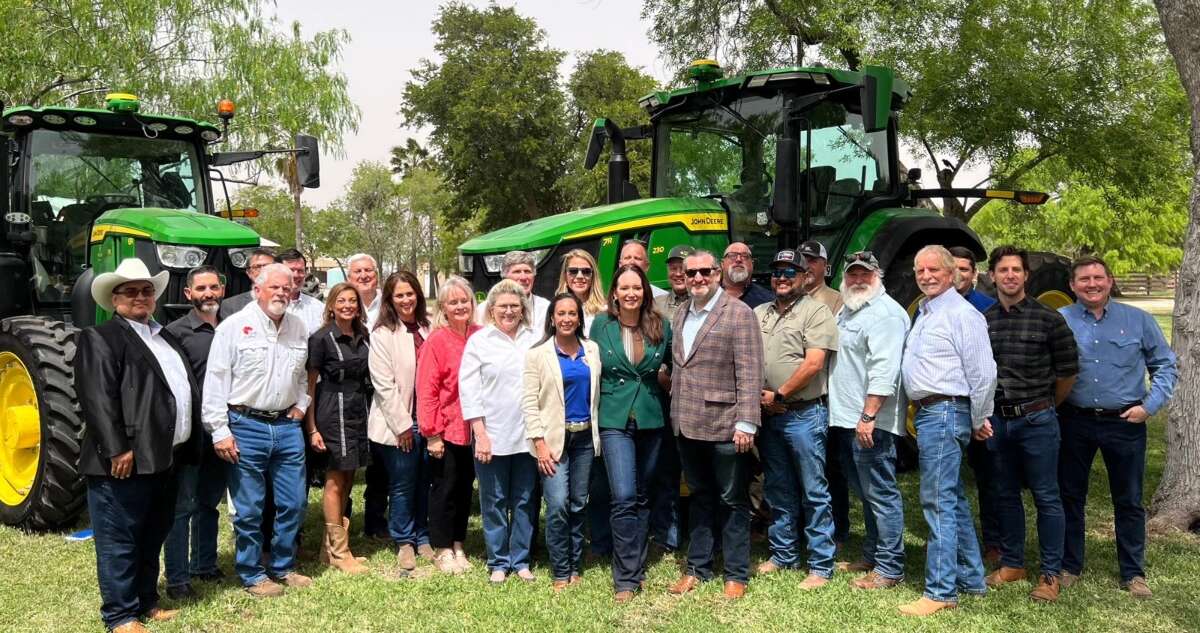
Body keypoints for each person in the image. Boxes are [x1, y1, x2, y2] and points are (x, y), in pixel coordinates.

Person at [76, 258, 200, 632]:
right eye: (131, 291)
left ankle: (146, 601)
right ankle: (120, 615)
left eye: (146, 290)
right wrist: (117, 448)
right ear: (114, 299)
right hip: (125, 459)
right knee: (119, 539)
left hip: (165, 457)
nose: (141, 297)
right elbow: (97, 399)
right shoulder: (100, 338)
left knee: (152, 532)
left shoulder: (164, 336)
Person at [1058, 255, 1177, 599]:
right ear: (1072, 285)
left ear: (1110, 281)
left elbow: (1166, 366)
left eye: (1098, 277)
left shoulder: (1138, 320)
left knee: (1128, 500)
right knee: (1070, 496)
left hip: (1125, 422)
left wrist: (1149, 407)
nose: (1091, 284)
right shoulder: (1060, 320)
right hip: (1074, 420)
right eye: (1084, 279)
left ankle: (1133, 573)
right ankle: (1070, 565)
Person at [203, 262, 313, 598]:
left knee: (294, 502)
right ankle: (251, 573)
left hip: (286, 426)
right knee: (250, 507)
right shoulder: (234, 327)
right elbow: (216, 380)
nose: (282, 293)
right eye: (275, 287)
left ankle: (282, 566)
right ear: (257, 290)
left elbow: (301, 376)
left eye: (287, 288)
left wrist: (301, 405)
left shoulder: (298, 327)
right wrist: (219, 430)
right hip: (245, 424)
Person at [899, 245, 996, 616]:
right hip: (929, 414)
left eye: (934, 269)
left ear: (952, 272)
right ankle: (972, 579)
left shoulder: (961, 314)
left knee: (937, 502)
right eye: (920, 270)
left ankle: (940, 591)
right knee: (951, 498)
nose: (926, 276)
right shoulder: (927, 311)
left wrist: (978, 417)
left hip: (945, 412)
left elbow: (983, 373)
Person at [981, 246, 1079, 602]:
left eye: (1016, 270)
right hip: (999, 422)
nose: (1010, 276)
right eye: (1003, 270)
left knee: (1046, 497)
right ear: (992, 276)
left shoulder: (1048, 319)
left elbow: (1067, 371)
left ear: (1026, 276)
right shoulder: (986, 319)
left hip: (1038, 419)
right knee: (1005, 495)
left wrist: (1048, 405)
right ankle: (1012, 563)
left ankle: (1050, 574)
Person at [667, 249, 764, 600]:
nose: (696, 278)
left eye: (704, 271)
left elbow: (751, 372)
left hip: (726, 426)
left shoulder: (738, 314)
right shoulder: (680, 314)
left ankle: (736, 573)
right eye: (690, 272)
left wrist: (747, 423)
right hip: (687, 424)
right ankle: (697, 568)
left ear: (717, 273)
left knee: (732, 500)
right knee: (700, 497)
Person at [753, 250, 839, 588]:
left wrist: (780, 394)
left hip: (804, 414)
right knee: (778, 487)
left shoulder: (816, 311)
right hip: (769, 415)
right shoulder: (760, 312)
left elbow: (814, 363)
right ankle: (783, 554)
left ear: (804, 276)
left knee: (814, 491)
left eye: (790, 272)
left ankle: (820, 565)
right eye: (777, 273)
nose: (783, 278)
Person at [828, 251, 909, 590]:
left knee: (881, 494)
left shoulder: (886, 314)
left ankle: (890, 568)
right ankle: (873, 553)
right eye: (852, 275)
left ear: (878, 277)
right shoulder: (849, 310)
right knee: (866, 493)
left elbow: (884, 370)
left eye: (865, 274)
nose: (858, 280)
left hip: (870, 423)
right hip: (846, 419)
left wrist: (868, 415)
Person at [591, 265, 673, 602]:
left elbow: (670, 368)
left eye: (636, 288)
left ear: (645, 292)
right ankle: (625, 578)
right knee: (623, 495)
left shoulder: (660, 325)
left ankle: (635, 562)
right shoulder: (601, 325)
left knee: (642, 495)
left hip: (651, 417)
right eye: (624, 288)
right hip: (614, 419)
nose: (630, 294)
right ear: (614, 292)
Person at [460, 279, 541, 582]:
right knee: (493, 501)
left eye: (514, 306)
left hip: (527, 435)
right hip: (491, 435)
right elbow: (469, 390)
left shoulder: (535, 338)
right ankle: (498, 561)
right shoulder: (479, 341)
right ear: (491, 310)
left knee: (524, 499)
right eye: (502, 306)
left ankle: (520, 560)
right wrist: (480, 433)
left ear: (523, 310)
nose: (508, 311)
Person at [522, 293, 602, 593]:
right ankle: (560, 568)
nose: (567, 318)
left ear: (579, 318)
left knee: (579, 504)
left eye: (572, 313)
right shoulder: (537, 354)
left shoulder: (592, 350)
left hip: (583, 438)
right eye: (561, 314)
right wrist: (539, 443)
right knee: (556, 505)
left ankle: (575, 563)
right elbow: (529, 402)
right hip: (553, 440)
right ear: (552, 318)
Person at [163, 266, 228, 601]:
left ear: (223, 289)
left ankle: (205, 563)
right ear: (188, 294)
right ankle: (178, 578)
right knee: (183, 505)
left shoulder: (232, 327)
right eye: (201, 288)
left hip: (224, 432)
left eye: (214, 287)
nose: (209, 294)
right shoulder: (175, 333)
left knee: (209, 502)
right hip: (191, 434)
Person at [305, 282, 374, 575]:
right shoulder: (321, 338)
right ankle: (339, 551)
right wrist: (312, 428)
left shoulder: (363, 335)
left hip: (359, 408)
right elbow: (309, 386)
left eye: (352, 301)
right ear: (331, 305)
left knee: (348, 478)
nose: (347, 306)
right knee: (334, 480)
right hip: (332, 410)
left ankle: (328, 549)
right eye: (341, 301)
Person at [369, 271, 434, 572]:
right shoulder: (383, 333)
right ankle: (404, 541)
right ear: (390, 300)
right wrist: (403, 425)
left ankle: (423, 536)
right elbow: (384, 385)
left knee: (425, 481)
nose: (406, 300)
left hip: (430, 421)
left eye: (410, 294)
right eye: (399, 295)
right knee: (403, 483)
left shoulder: (428, 326)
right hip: (401, 423)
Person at [417, 276, 482, 574]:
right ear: (443, 306)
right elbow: (427, 389)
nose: (460, 306)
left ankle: (458, 543)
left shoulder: (481, 335)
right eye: (453, 302)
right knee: (445, 489)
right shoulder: (437, 340)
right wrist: (432, 434)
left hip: (476, 429)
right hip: (447, 427)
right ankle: (442, 547)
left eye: (464, 300)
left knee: (465, 489)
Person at [947, 245, 1001, 563]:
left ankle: (993, 542)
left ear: (974, 274)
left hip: (980, 407)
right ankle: (948, 538)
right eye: (951, 268)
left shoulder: (987, 309)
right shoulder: (928, 308)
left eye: (964, 269)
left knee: (988, 475)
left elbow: (988, 365)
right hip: (946, 408)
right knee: (947, 478)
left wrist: (983, 411)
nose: (957, 274)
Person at [797, 239, 848, 547]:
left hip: (824, 392)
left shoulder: (836, 300)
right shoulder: (792, 297)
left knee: (830, 466)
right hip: (797, 397)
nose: (807, 265)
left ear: (824, 266)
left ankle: (838, 530)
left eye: (812, 260)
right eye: (802, 260)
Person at [648, 245, 690, 553]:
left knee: (697, 470)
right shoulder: (658, 304)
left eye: (684, 267)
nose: (678, 273)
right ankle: (668, 535)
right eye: (673, 267)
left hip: (695, 399)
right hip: (662, 396)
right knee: (666, 470)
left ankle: (701, 532)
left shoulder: (706, 303)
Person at [474, 251, 550, 332]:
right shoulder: (484, 309)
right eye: (517, 272)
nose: (523, 277)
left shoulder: (545, 307)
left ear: (534, 277)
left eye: (527, 271)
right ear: (504, 277)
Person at [555, 248, 606, 333]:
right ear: (565, 276)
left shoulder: (604, 311)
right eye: (573, 271)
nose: (579, 276)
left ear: (593, 277)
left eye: (586, 271)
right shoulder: (554, 309)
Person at [220, 247, 275, 319]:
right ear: (249, 273)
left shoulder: (287, 300)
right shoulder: (230, 305)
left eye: (267, 266)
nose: (263, 270)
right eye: (257, 267)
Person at [279, 248, 324, 335]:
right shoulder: (264, 307)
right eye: (291, 270)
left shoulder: (318, 308)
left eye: (300, 271)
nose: (296, 275)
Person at [720, 242, 772, 308]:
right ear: (722, 264)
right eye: (732, 255)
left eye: (745, 256)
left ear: (752, 264)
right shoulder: (708, 293)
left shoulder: (767, 301)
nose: (738, 259)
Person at [347, 253, 383, 328]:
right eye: (358, 271)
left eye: (368, 270)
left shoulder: (390, 302)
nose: (363, 276)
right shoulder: (342, 307)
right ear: (349, 278)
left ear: (376, 275)